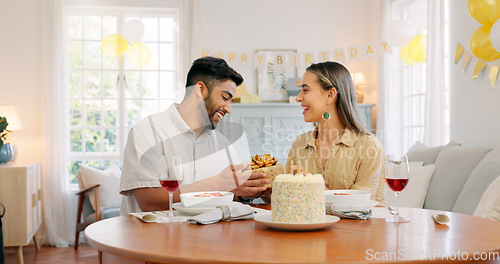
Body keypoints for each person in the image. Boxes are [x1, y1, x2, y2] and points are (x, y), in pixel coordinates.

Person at [120, 57, 268, 214]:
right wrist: (217, 184)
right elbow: (148, 202)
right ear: (200, 90)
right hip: (154, 237)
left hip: (207, 236)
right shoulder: (148, 131)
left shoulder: (222, 144)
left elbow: (232, 193)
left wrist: (245, 192)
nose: (228, 109)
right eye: (225, 98)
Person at [286, 61, 386, 203]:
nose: (298, 98)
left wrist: (315, 186)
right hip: (305, 225)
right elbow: (288, 200)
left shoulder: (369, 147)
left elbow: (362, 206)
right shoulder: (299, 144)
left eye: (306, 90)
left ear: (330, 95)